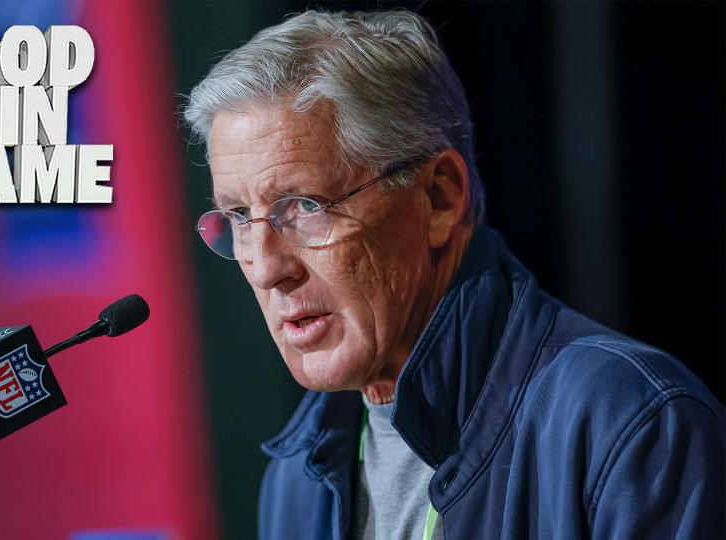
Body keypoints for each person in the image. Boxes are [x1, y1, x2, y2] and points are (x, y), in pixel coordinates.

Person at [183, 9, 724, 540]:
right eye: (238, 218)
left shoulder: (632, 426)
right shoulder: (298, 475)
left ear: (440, 197)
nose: (268, 267)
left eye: (303, 206)